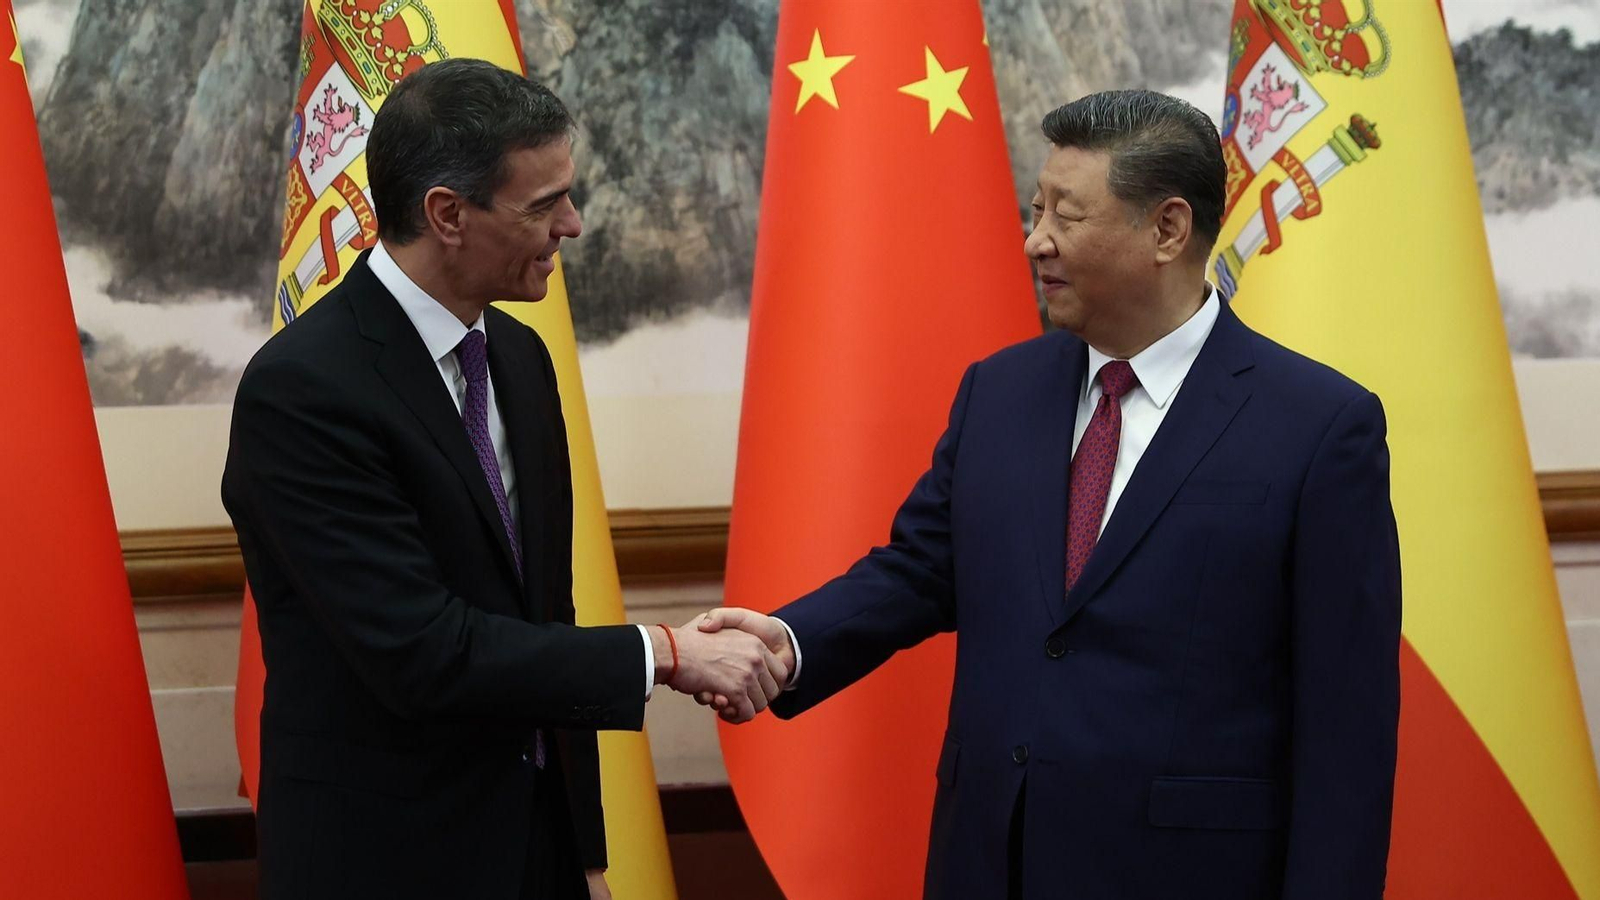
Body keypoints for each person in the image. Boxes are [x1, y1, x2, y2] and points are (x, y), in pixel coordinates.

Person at [701, 90, 1402, 900]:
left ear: (1167, 230)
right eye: (1035, 210)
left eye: (1066, 217)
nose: (1037, 242)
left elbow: (1346, 725)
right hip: (991, 862)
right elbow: (921, 569)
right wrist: (788, 642)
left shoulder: (1319, 426)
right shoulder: (999, 393)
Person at [222, 59, 787, 900]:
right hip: (385, 861)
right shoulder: (304, 390)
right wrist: (664, 656)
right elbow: (421, 652)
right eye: (542, 205)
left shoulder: (518, 357)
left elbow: (543, 612)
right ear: (447, 214)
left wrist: (586, 850)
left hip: (533, 849)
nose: (574, 223)